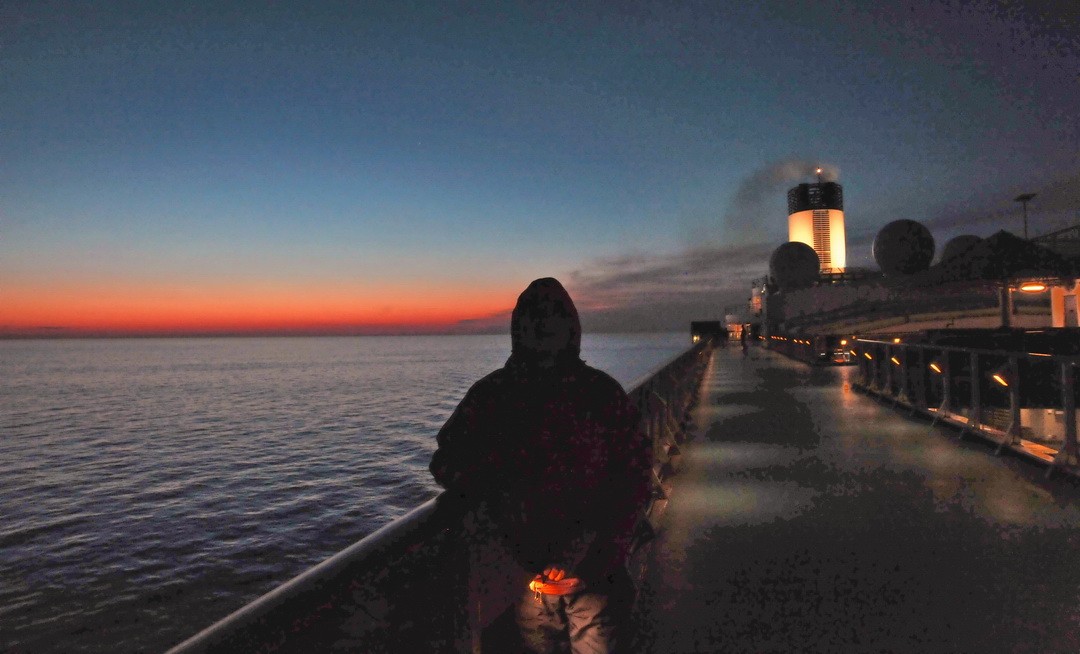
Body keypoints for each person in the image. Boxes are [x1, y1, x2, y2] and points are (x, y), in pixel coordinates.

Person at [429, 277, 651, 653]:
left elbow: (634, 476)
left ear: (570, 326)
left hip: (591, 578)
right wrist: (500, 499)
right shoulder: (493, 396)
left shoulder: (597, 394)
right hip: (521, 581)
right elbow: (447, 462)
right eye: (534, 315)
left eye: (554, 314)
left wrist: (598, 553)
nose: (544, 322)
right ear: (519, 327)